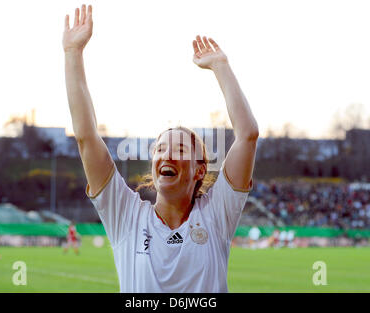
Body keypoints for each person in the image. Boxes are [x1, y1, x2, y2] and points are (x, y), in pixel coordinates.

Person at [63, 4, 258, 292]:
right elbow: (86, 137)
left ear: (199, 169)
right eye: (160, 149)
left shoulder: (216, 214)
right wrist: (73, 54)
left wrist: (221, 66)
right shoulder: (126, 216)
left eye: (179, 149)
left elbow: (247, 135)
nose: (166, 155)